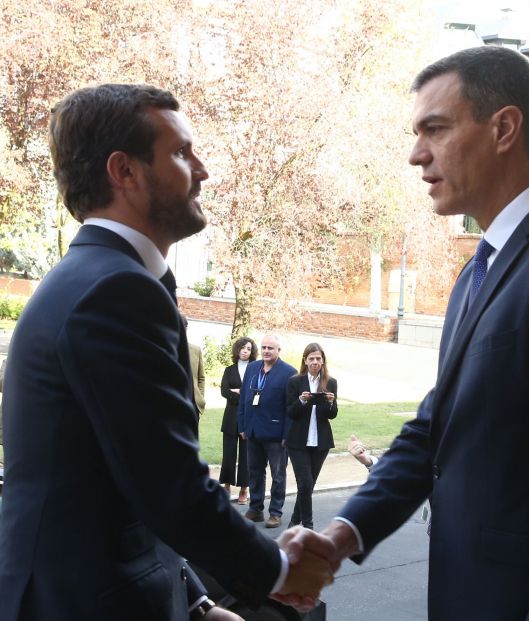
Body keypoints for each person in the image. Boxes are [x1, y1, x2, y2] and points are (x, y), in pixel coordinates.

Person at [287, 46, 529, 620]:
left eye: (435, 129)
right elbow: (437, 429)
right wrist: (343, 533)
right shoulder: (477, 270)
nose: (417, 155)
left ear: (504, 129)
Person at [0, 83, 335, 621]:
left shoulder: (104, 280)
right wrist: (279, 571)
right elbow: (169, 485)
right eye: (181, 152)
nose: (201, 169)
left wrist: (198, 603)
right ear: (124, 171)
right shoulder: (113, 292)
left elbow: (123, 482)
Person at [238, 333, 296, 528]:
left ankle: (275, 513)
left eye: (270, 348)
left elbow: (291, 408)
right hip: (252, 430)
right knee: (254, 471)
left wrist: (287, 435)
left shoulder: (289, 372)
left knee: (278, 474)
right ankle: (255, 509)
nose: (266, 351)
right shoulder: (253, 368)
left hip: (276, 434)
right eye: (263, 347)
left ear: (279, 350)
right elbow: (244, 398)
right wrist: (243, 425)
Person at [286, 343, 337, 530]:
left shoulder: (331, 382)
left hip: (320, 441)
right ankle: (308, 526)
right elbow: (290, 412)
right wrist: (301, 400)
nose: (315, 362)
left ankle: (294, 520)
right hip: (298, 441)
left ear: (323, 361)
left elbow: (332, 415)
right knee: (305, 483)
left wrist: (331, 403)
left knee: (308, 485)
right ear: (305, 361)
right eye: (311, 359)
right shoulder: (295, 381)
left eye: (318, 358)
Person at [219, 336, 257, 504]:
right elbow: (224, 391)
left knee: (246, 455)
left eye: (248, 348)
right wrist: (239, 394)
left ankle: (244, 489)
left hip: (248, 418)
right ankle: (226, 485)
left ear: (251, 352)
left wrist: (237, 392)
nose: (245, 351)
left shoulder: (256, 370)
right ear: (237, 349)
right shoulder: (229, 370)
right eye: (243, 347)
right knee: (228, 453)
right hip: (230, 418)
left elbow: (256, 392)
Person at [181, 313, 206, 413]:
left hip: (193, 404)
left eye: (184, 327)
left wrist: (200, 396)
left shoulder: (196, 350)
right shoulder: (167, 350)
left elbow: (201, 377)